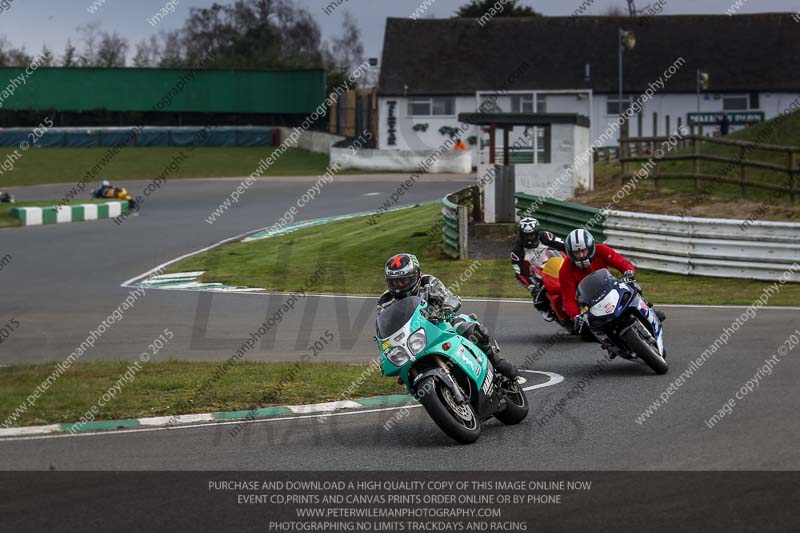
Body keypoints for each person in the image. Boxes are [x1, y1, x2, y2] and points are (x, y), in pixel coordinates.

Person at [378, 253, 518, 379]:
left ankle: (495, 360)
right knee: (401, 369)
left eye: (404, 280)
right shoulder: (385, 301)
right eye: (395, 282)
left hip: (441, 323)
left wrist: (447, 308)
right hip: (413, 340)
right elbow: (385, 327)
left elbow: (449, 298)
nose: (399, 285)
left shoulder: (428, 282)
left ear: (417, 275)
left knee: (466, 327)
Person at [559, 228, 666, 335]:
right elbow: (568, 299)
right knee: (587, 332)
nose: (581, 255)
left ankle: (649, 312)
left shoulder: (601, 250)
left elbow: (620, 262)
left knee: (632, 285)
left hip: (609, 288)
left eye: (583, 251)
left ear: (590, 247)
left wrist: (628, 271)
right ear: (571, 253)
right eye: (577, 253)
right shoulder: (565, 270)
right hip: (588, 302)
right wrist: (575, 315)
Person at [511, 217, 565, 321]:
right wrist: (530, 286)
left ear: (537, 232)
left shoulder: (545, 236)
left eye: (532, 235)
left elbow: (563, 245)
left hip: (552, 263)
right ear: (521, 235)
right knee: (537, 292)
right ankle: (544, 308)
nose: (529, 238)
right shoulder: (516, 251)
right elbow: (519, 273)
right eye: (526, 236)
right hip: (533, 273)